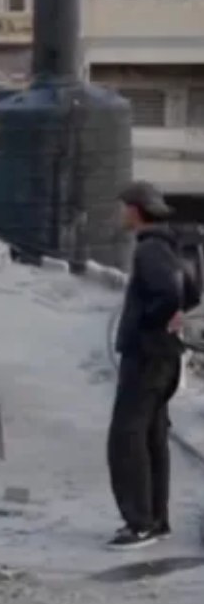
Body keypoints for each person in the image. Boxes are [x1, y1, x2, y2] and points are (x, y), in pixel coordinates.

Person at [106, 181, 199, 551]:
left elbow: (169, 293)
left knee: (126, 438)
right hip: (164, 356)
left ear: (135, 209)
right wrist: (174, 313)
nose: (120, 214)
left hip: (146, 356)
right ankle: (156, 521)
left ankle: (139, 523)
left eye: (122, 207)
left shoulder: (150, 251)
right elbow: (190, 291)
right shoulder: (172, 244)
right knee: (152, 437)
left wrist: (154, 321)